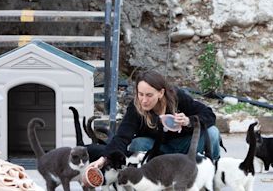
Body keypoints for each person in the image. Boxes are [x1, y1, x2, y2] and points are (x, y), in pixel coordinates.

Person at [89, 70, 221, 168]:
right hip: (156, 150)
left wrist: (189, 121)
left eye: (149, 95)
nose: (144, 100)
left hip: (183, 146)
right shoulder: (135, 107)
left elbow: (208, 114)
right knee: (137, 144)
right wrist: (104, 158)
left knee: (213, 132)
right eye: (140, 94)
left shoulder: (176, 97)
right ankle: (148, 178)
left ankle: (212, 168)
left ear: (161, 93)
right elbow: (122, 136)